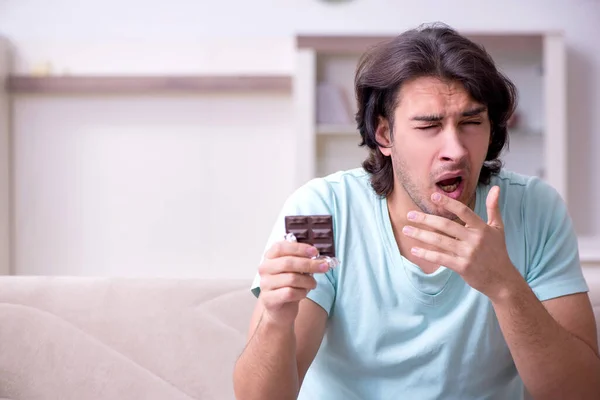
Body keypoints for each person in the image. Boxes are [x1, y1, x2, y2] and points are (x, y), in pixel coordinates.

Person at [232, 23, 600, 399]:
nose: (455, 149)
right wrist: (276, 318)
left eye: (471, 123)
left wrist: (504, 285)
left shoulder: (535, 209)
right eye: (429, 126)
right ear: (385, 135)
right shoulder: (322, 209)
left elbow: (581, 392)